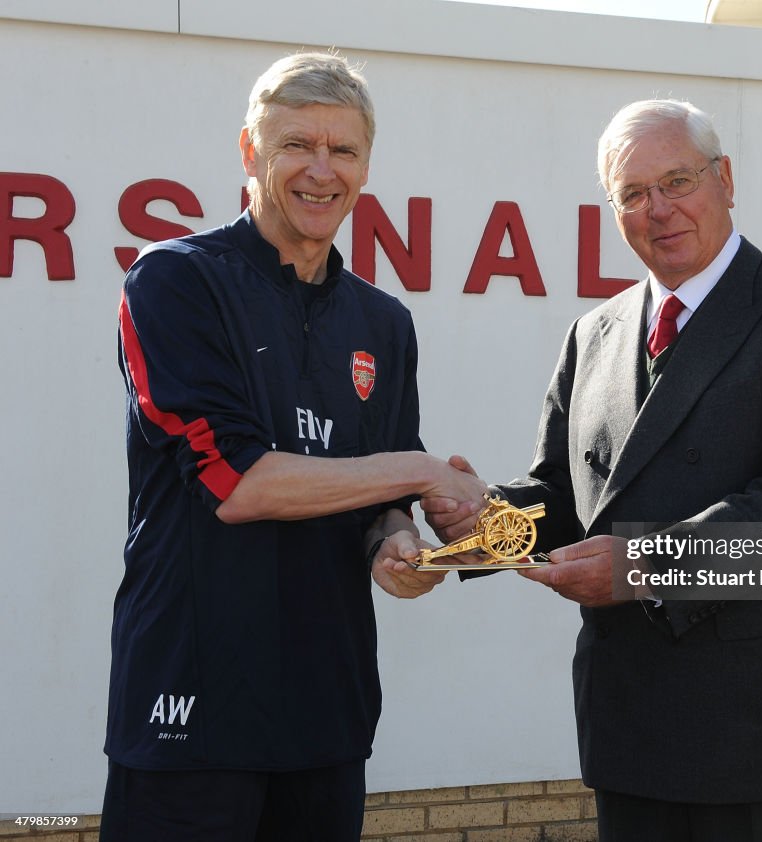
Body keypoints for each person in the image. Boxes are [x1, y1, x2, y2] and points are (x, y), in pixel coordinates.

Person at [427, 99, 762, 842]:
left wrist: (641, 567)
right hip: (633, 722)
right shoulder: (592, 334)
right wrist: (480, 522)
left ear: (725, 180)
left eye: (677, 181)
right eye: (633, 194)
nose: (658, 209)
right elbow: (566, 501)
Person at [101, 52, 486, 842]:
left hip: (326, 714)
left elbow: (377, 502)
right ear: (250, 152)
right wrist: (420, 472)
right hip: (191, 712)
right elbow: (238, 485)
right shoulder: (174, 282)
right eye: (295, 146)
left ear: (366, 165)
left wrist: (402, 546)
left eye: (342, 150)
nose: (321, 171)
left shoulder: (384, 323)